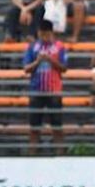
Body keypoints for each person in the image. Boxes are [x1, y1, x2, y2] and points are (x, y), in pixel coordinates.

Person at [22, 20, 68, 155]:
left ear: (51, 33)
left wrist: (50, 59)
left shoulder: (59, 47)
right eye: (41, 34)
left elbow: (64, 68)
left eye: (46, 34)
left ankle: (60, 153)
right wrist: (37, 61)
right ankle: (32, 153)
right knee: (34, 126)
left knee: (57, 125)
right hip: (36, 90)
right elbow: (26, 68)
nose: (43, 37)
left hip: (54, 90)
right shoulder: (32, 47)